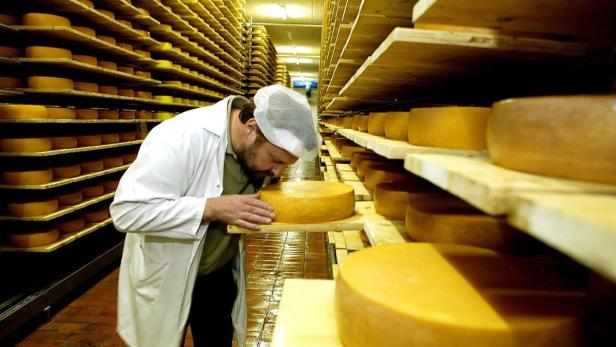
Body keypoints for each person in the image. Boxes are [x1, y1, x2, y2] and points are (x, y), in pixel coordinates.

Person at [109, 85, 320, 347]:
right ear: (252, 127)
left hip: (218, 273)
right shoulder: (181, 136)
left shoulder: (254, 153)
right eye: (275, 160)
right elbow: (127, 211)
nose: (277, 173)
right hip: (167, 274)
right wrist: (212, 208)